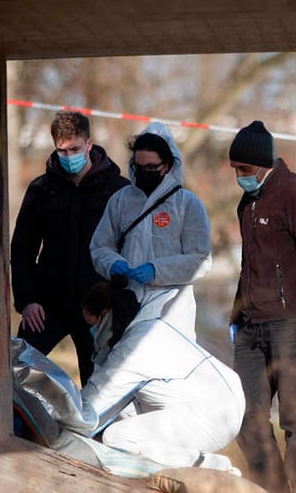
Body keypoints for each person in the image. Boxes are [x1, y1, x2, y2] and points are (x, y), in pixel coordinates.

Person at [226, 120, 296, 493]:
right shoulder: (248, 204)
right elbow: (248, 265)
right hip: (252, 327)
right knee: (246, 415)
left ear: (263, 164)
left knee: (294, 412)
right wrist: (237, 312)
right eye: (235, 169)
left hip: (292, 324)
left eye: (244, 170)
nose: (239, 177)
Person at [10, 110, 129, 385]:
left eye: (74, 149)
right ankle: (22, 429)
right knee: (17, 369)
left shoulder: (118, 190)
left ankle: (96, 431)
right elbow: (22, 248)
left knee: (100, 385)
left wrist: (116, 303)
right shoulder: (41, 190)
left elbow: (130, 250)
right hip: (47, 304)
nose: (68, 157)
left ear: (89, 144)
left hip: (97, 306)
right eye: (61, 151)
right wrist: (27, 300)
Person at [76, 281, 241, 474]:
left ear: (104, 315)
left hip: (215, 413)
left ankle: (208, 465)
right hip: (217, 396)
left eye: (91, 325)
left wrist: (59, 418)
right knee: (124, 414)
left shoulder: (134, 347)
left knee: (117, 437)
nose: (91, 332)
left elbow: (97, 399)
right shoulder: (143, 328)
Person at [90, 122, 212, 336]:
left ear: (166, 165)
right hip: (127, 306)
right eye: (139, 167)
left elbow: (200, 259)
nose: (144, 172)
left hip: (171, 310)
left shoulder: (187, 204)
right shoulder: (120, 201)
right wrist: (112, 263)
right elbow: (100, 246)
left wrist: (157, 270)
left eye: (151, 168)